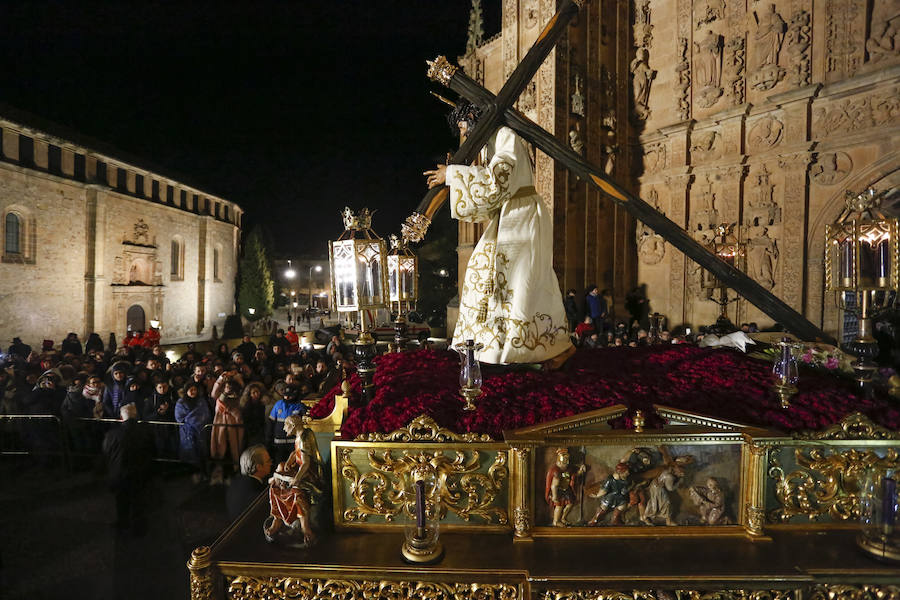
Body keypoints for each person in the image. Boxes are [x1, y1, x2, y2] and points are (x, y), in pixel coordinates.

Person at [424, 101, 573, 367]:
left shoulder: (505, 136)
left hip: (521, 216)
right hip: (510, 215)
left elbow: (498, 180)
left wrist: (452, 175)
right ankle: (495, 347)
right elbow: (490, 191)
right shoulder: (492, 141)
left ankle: (547, 347)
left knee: (521, 282)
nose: (464, 135)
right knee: (492, 276)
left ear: (472, 118)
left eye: (463, 127)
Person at [264, 415, 325, 546]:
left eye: (286, 426)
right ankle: (277, 519)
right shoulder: (300, 435)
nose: (284, 429)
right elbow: (297, 452)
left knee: (296, 493)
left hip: (309, 475)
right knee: (276, 486)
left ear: (293, 425)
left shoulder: (304, 437)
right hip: (300, 470)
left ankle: (306, 528)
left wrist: (296, 479)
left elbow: (306, 464)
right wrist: (290, 460)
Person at [102, 403, 154, 533]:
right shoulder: (145, 431)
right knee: (138, 501)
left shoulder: (112, 434)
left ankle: (122, 523)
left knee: (121, 501)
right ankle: (139, 527)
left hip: (119, 473)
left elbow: (106, 453)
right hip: (139, 472)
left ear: (121, 417)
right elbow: (152, 450)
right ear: (136, 416)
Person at [175, 381, 212, 483]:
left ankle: (204, 473)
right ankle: (194, 473)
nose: (193, 392)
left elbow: (205, 414)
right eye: (190, 390)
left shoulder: (201, 401)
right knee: (191, 453)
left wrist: (196, 420)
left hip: (201, 432)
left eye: (194, 389)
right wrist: (193, 420)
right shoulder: (181, 403)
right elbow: (179, 418)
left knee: (202, 453)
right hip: (188, 432)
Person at [227, 444, 272, 520]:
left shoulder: (234, 483)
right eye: (268, 461)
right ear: (259, 467)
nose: (271, 463)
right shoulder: (260, 492)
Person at [545, 447, 586, 527]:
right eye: (564, 461)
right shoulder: (556, 471)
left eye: (567, 461)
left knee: (571, 503)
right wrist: (555, 496)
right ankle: (556, 521)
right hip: (558, 491)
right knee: (559, 506)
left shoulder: (568, 468)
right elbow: (554, 486)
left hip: (566, 489)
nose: (566, 463)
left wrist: (580, 471)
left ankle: (563, 518)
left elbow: (574, 474)